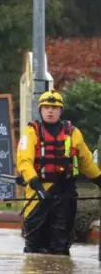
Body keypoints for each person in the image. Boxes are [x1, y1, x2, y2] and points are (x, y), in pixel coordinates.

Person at [16, 89, 101, 256]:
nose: (50, 111)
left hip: (65, 194)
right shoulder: (31, 133)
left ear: (60, 111)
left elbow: (86, 162)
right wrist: (38, 187)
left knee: (60, 244)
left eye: (54, 108)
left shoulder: (73, 133)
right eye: (46, 107)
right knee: (34, 242)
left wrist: (98, 179)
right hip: (38, 194)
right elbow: (24, 161)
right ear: (40, 110)